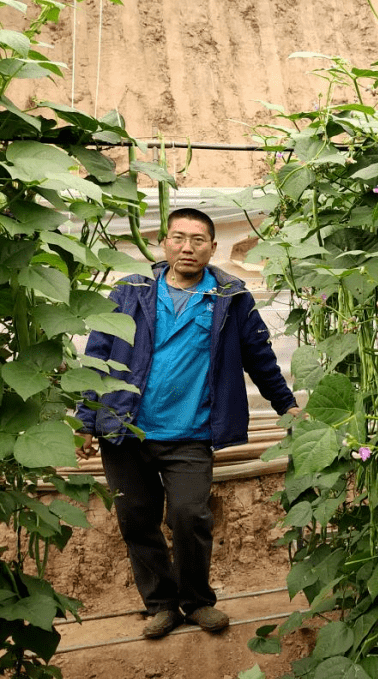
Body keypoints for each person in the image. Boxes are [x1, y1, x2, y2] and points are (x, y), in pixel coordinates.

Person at [75, 208, 301, 639]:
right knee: (136, 519)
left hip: (191, 433)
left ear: (212, 248)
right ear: (164, 243)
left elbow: (259, 356)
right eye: (178, 238)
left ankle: (196, 601)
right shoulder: (131, 292)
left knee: (190, 515)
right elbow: (97, 355)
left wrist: (285, 404)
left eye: (198, 240)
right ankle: (161, 605)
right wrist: (86, 420)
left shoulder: (230, 298)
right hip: (126, 430)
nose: (187, 247)